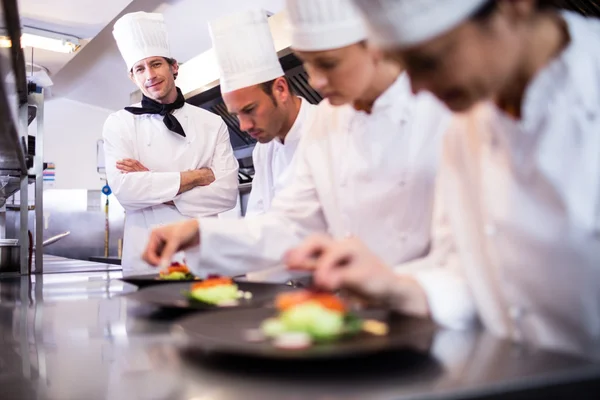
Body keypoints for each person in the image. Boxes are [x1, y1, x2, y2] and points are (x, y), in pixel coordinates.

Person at [287, 0, 600, 359]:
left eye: (430, 61)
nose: (417, 89)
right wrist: (396, 287)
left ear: (515, 7)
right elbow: (464, 270)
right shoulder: (466, 125)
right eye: (404, 64)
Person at [141, 0, 450, 282]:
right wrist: (200, 234)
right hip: (352, 308)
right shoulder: (330, 117)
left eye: (328, 63)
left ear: (375, 47)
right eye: (309, 64)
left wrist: (395, 285)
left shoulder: (439, 107)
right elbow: (290, 224)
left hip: (431, 311)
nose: (315, 81)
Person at [103, 12, 239, 275]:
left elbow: (227, 194)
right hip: (145, 259)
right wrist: (197, 176)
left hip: (200, 258)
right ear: (132, 77)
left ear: (174, 67)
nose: (149, 75)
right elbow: (126, 192)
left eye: (156, 64)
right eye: (140, 69)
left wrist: (154, 185)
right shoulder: (119, 122)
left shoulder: (212, 123)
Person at [208, 9, 317, 217]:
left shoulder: (326, 132)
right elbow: (258, 219)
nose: (244, 126)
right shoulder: (263, 150)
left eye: (249, 110)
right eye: (236, 114)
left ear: (281, 89)